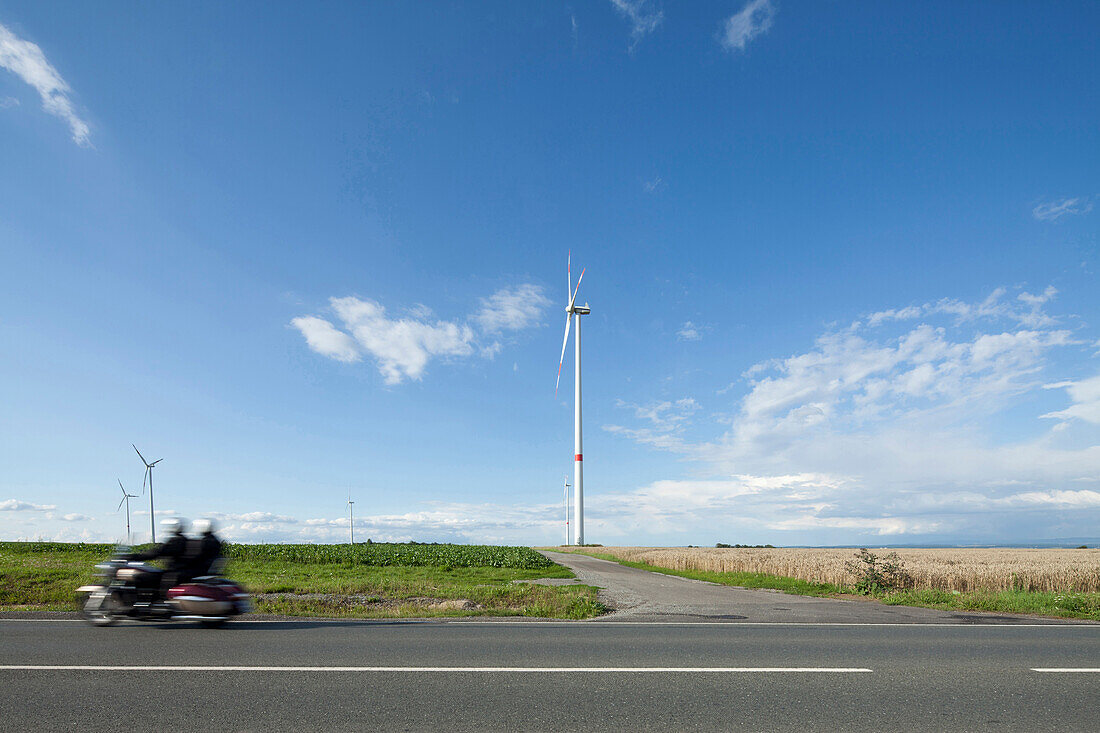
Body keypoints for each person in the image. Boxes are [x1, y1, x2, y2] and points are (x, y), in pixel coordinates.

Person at [130, 517, 191, 598]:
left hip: (173, 573)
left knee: (141, 577)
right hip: (180, 572)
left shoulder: (176, 541)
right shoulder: (185, 540)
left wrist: (134, 556)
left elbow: (157, 553)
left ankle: (143, 601)